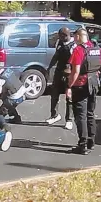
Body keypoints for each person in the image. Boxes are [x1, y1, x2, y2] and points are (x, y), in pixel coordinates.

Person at [66, 27, 101, 155]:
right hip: (94, 83)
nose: (74, 39)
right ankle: (91, 141)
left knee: (80, 115)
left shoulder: (78, 50)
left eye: (75, 36)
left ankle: (83, 145)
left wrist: (69, 87)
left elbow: (75, 72)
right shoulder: (95, 48)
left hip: (81, 85)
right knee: (90, 113)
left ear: (79, 37)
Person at [46, 27, 77, 130]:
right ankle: (54, 115)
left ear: (66, 36)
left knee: (69, 97)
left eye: (61, 36)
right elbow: (56, 56)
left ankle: (69, 120)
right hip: (59, 72)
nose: (59, 38)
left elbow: (76, 61)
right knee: (54, 94)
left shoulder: (74, 45)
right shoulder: (60, 42)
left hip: (69, 73)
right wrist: (49, 67)